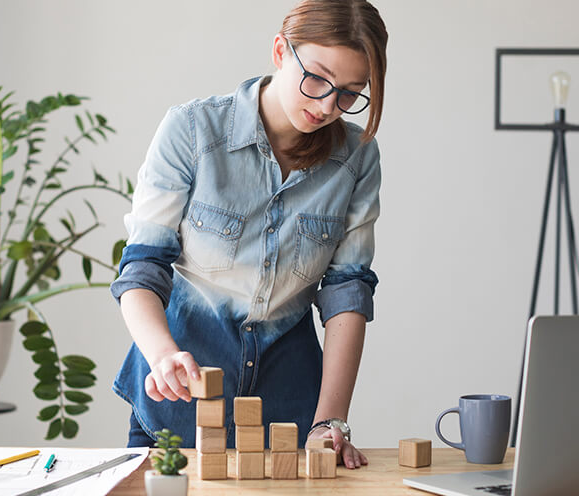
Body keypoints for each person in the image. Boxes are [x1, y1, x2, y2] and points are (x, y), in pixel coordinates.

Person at [110, 0, 387, 469]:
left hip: (289, 414)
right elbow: (142, 267)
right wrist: (162, 356)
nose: (326, 106)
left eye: (347, 94)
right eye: (316, 79)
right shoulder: (192, 131)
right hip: (177, 401)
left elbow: (347, 293)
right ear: (281, 51)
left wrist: (331, 421)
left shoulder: (356, 158)